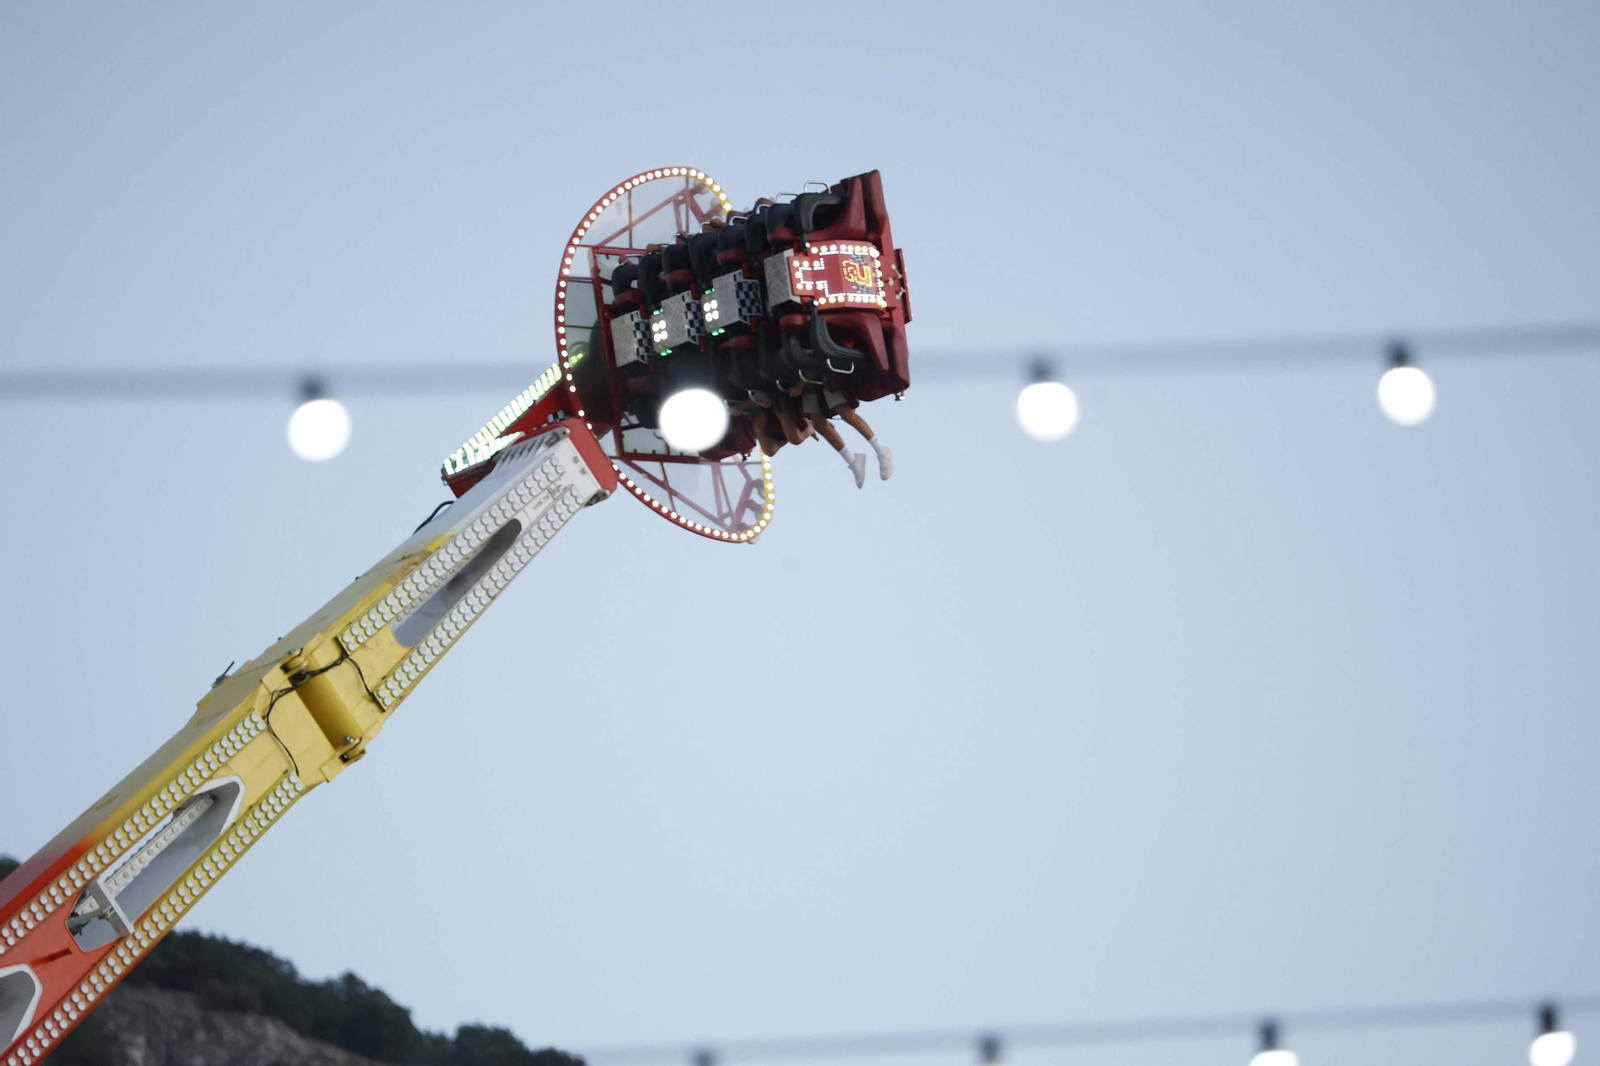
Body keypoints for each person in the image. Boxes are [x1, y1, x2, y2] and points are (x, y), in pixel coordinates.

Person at [793, 380, 893, 488]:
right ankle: (853, 461)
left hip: (825, 375)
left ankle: (882, 450)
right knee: (819, 425)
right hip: (809, 384)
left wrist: (800, 385)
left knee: (846, 414)